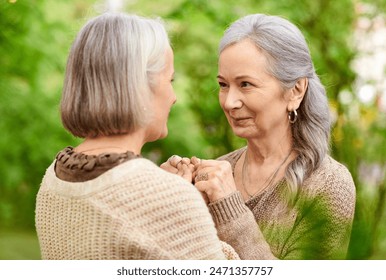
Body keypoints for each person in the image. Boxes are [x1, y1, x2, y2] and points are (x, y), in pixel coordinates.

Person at [35, 12, 237, 260]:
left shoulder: (52, 179)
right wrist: (182, 203)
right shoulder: (167, 197)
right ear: (139, 85)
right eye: (170, 79)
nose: (174, 96)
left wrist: (174, 199)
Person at [162, 14, 356, 260]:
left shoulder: (329, 185)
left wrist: (228, 209)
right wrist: (174, 201)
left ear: (296, 90)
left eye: (245, 84)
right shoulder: (218, 175)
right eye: (223, 85)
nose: (230, 102)